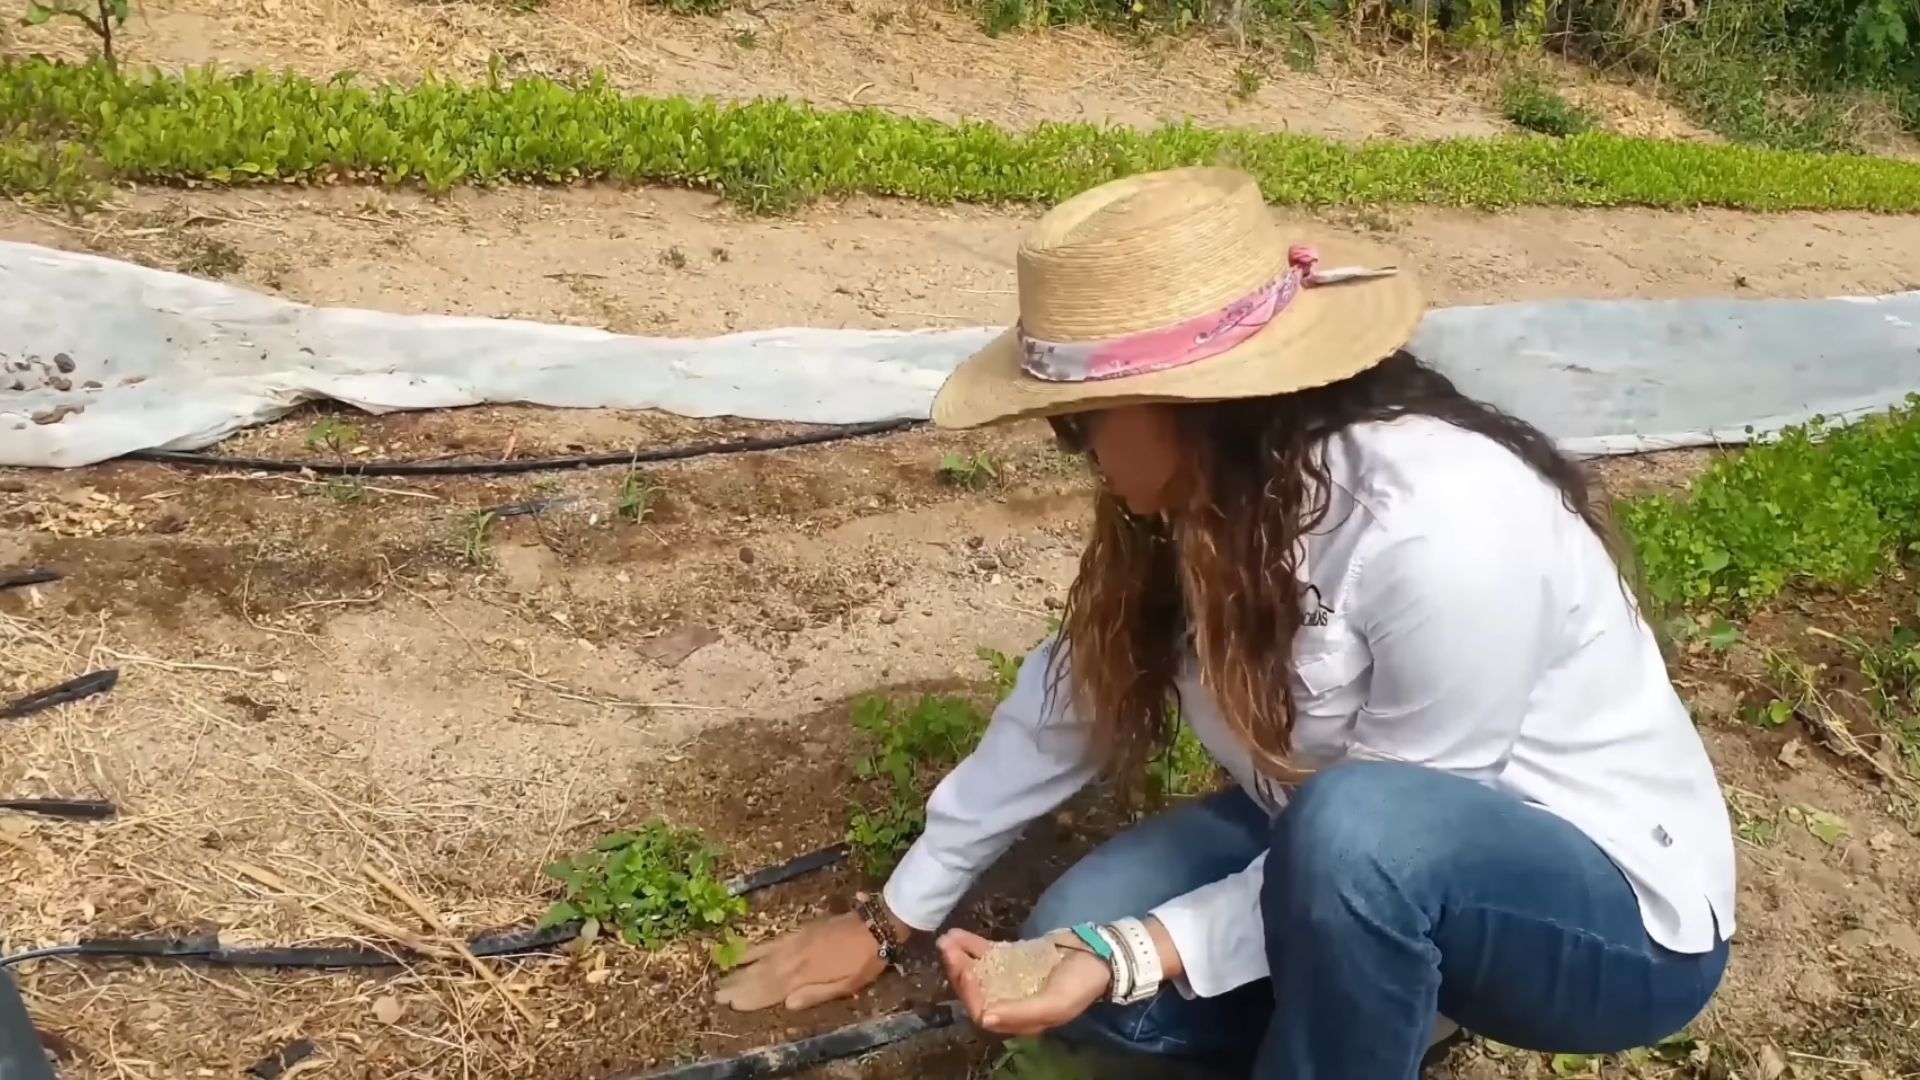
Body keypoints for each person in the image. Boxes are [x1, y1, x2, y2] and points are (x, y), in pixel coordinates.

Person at [713, 166, 1736, 1079]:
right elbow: (1075, 695)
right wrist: (897, 915)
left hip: (1602, 919)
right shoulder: (1204, 506)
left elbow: (1404, 826)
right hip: (1333, 847)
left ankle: (1374, 1008)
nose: (1077, 455)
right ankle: (1383, 1001)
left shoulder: (1439, 524)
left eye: (1078, 424)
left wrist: (1139, 950)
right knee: (1073, 941)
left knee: (1348, 837)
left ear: (1190, 402)